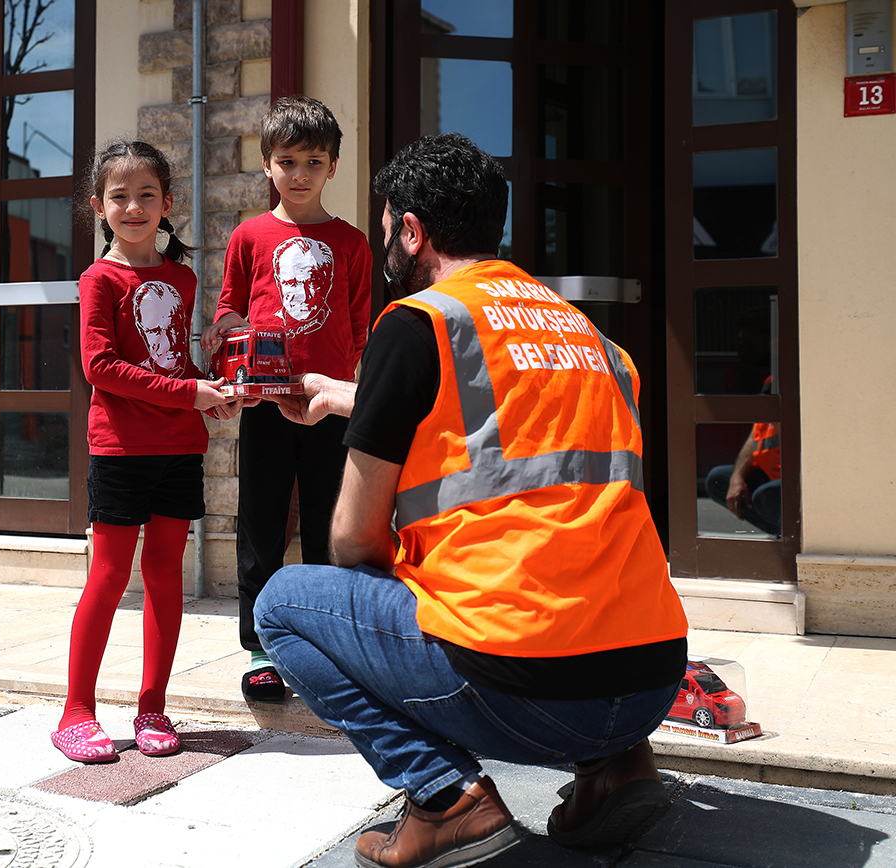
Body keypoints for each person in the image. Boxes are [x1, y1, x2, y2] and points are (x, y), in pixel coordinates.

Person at [257, 133, 690, 868]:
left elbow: (355, 543)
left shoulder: (417, 322)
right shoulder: (593, 339)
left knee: (286, 602)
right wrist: (352, 401)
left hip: (526, 689)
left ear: (412, 230)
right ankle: (616, 770)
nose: (387, 241)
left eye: (389, 225)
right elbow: (505, 427)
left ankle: (444, 800)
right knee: (576, 561)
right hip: (650, 680)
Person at [51, 139, 237, 764]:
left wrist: (211, 395)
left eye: (146, 196)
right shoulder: (98, 279)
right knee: (109, 574)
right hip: (121, 448)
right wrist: (189, 392)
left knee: (165, 576)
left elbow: (170, 362)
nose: (133, 207)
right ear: (98, 207)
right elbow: (101, 367)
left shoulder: (181, 277)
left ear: (168, 204)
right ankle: (77, 712)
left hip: (180, 446)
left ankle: (152, 706)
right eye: (120, 197)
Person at [199, 95, 372, 702]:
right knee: (261, 523)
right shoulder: (249, 236)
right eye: (287, 160)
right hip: (265, 408)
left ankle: (327, 646)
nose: (300, 174)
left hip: (327, 407)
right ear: (267, 166)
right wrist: (222, 335)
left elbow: (357, 325)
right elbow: (229, 308)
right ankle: (260, 648)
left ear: (332, 167)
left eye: (313, 161)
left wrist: (340, 385)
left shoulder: (352, 244)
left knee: (331, 526)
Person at [706, 419, 781, 536]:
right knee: (717, 479)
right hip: (772, 478)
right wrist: (737, 476)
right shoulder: (766, 408)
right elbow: (754, 439)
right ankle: (784, 533)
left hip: (795, 482)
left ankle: (797, 536)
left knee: (765, 495)